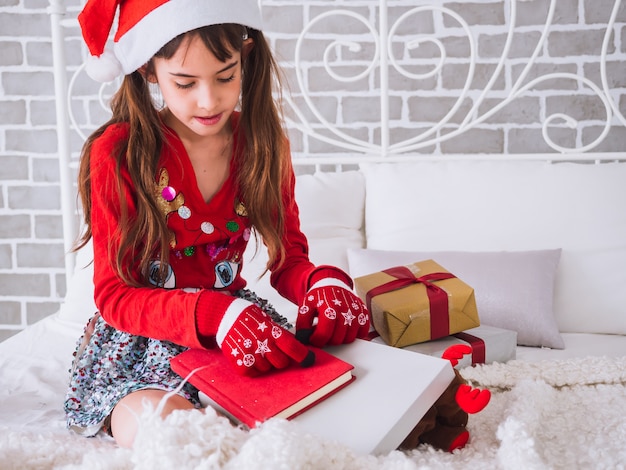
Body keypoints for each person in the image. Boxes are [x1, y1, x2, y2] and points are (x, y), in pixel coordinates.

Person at [65, 0, 370, 448]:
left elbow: (289, 260)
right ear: (149, 70)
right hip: (143, 338)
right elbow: (115, 297)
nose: (209, 101)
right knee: (176, 431)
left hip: (237, 329)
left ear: (245, 57)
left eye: (225, 76)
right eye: (184, 83)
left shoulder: (264, 144)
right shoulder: (117, 152)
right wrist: (215, 313)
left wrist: (322, 283)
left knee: (324, 405)